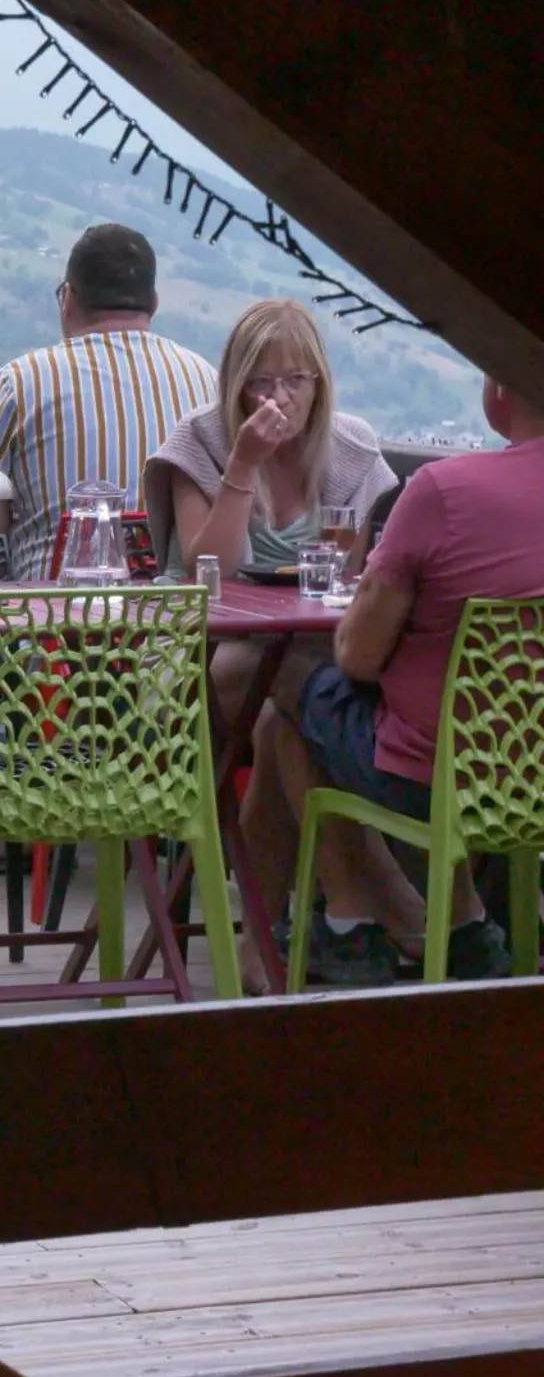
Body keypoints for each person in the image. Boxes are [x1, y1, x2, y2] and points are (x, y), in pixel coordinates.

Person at [241, 373, 544, 989]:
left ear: (500, 389)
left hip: (440, 780)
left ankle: (357, 920)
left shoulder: (444, 490)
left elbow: (356, 656)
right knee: (291, 728)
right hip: (532, 771)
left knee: (289, 685)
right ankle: (450, 925)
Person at [0, 223, 216, 578]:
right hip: (179, 618)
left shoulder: (20, 379)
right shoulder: (205, 378)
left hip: (50, 620)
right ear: (153, 302)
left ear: (68, 299)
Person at [143, 297, 397, 583]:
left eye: (296, 380)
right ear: (237, 387)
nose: (279, 398)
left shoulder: (352, 450)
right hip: (203, 618)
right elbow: (208, 572)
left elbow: (343, 578)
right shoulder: (199, 437)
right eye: (261, 382)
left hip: (304, 622)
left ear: (318, 384)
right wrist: (243, 462)